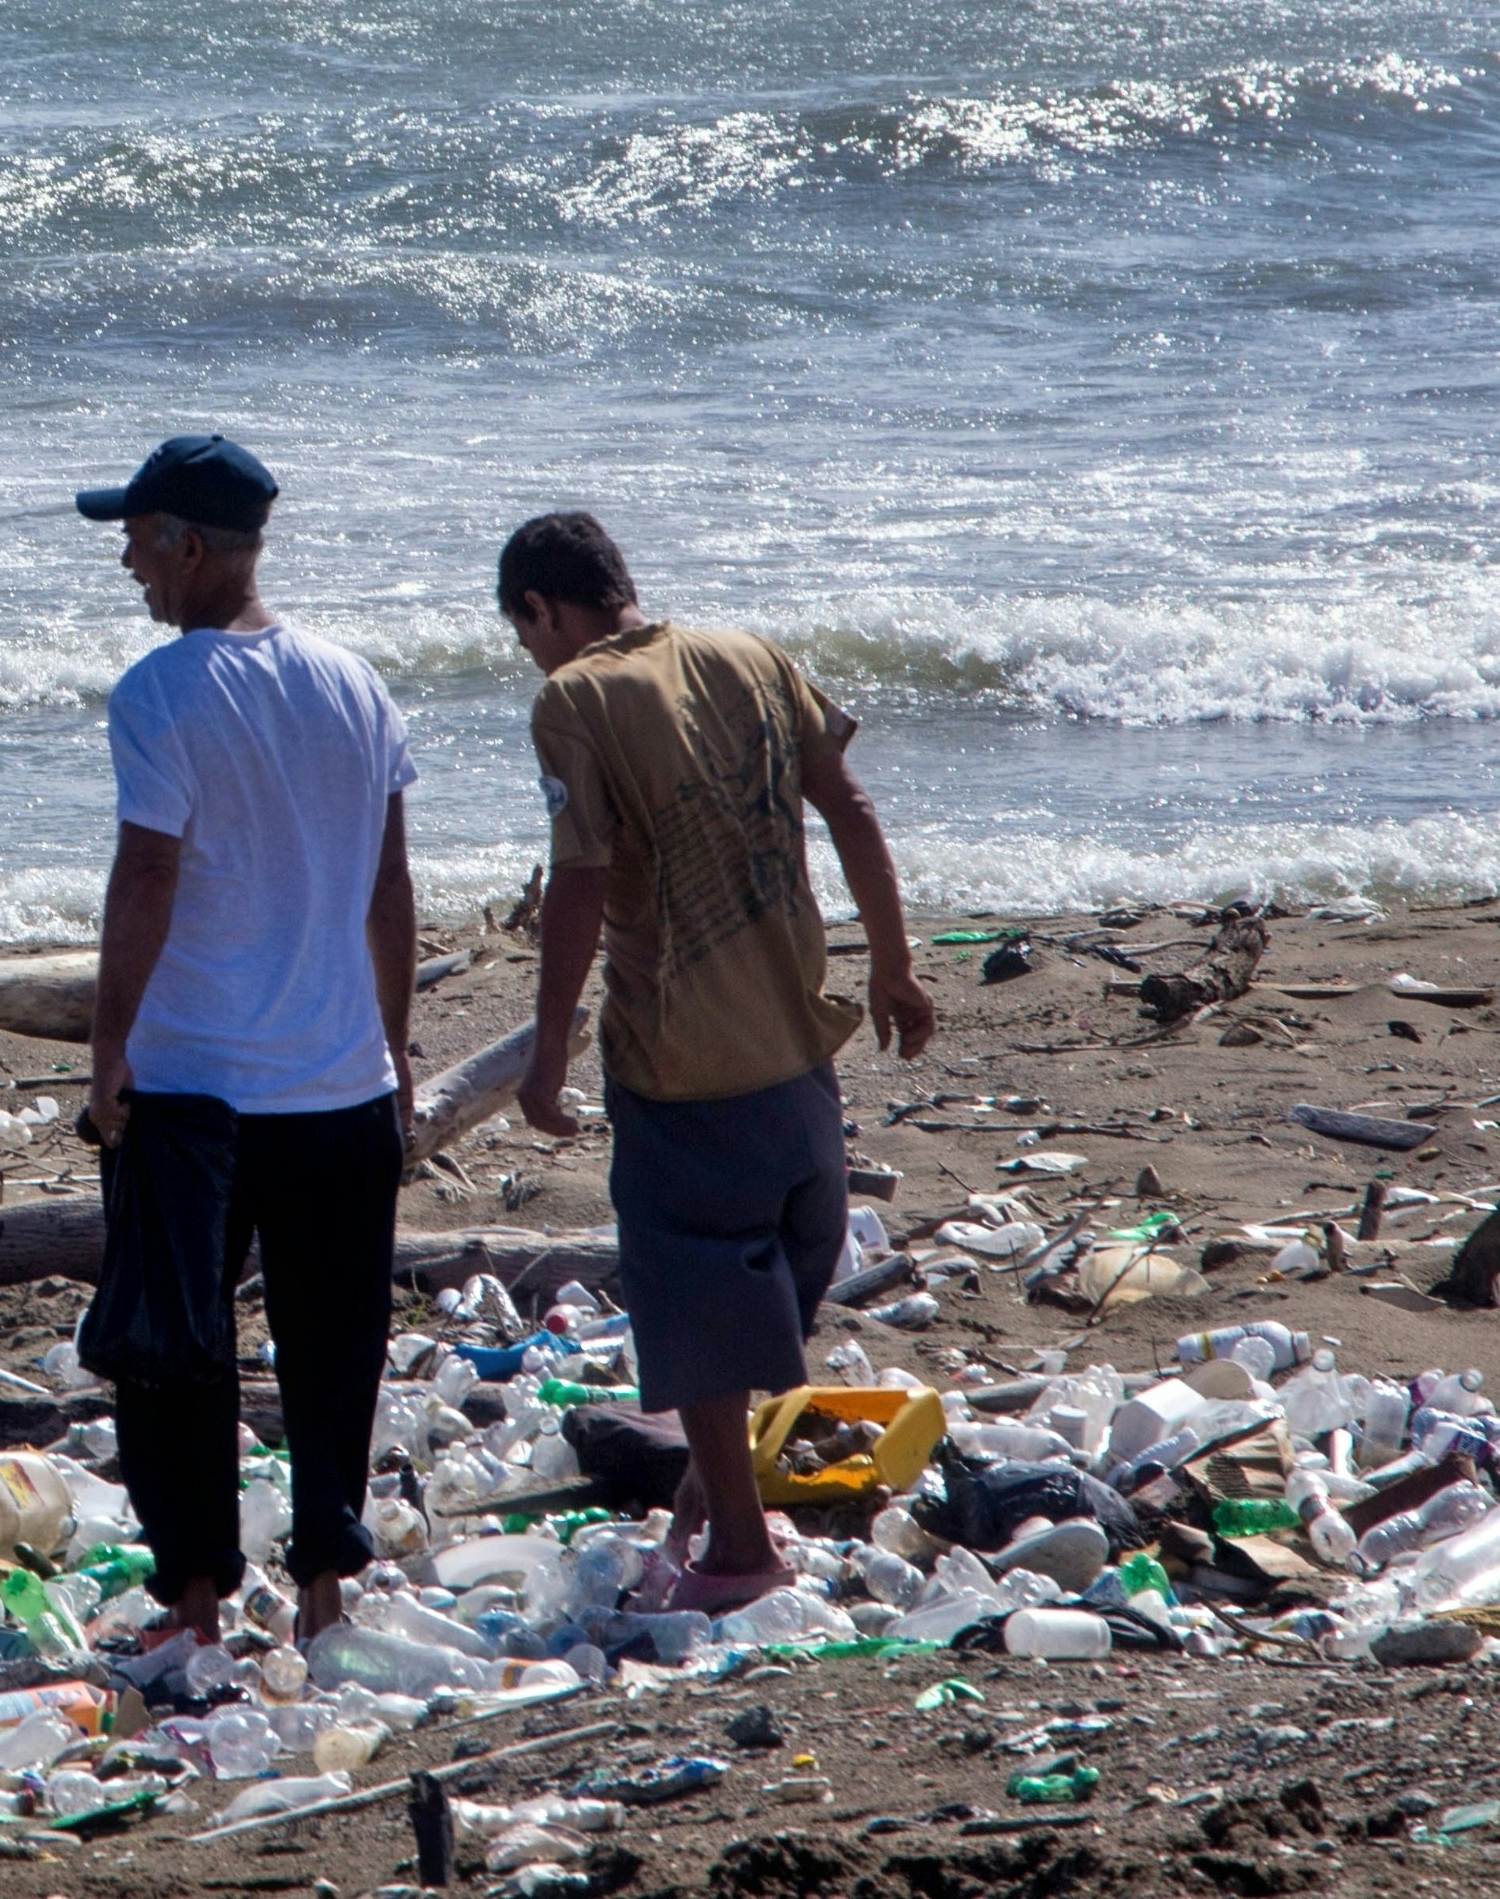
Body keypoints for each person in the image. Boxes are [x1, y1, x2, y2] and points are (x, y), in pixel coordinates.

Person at [495, 509, 932, 1613]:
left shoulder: (572, 699)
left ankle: (741, 1552)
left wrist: (544, 1051)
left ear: (543, 608)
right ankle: (722, 1481)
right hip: (793, 1039)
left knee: (688, 1300)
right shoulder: (751, 655)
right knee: (770, 1280)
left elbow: (580, 881)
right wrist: (892, 963)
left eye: (524, 631)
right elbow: (849, 805)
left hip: (677, 1054)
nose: (531, 654)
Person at [68, 433, 420, 1651]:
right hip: (336, 1085)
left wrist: (106, 1044)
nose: (127, 562)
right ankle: (324, 1592)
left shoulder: (162, 692)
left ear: (191, 545)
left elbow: (148, 870)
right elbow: (390, 885)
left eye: (138, 538)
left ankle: (199, 1605)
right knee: (334, 1349)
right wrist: (396, 1039)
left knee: (174, 1351)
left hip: (193, 1087)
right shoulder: (352, 680)